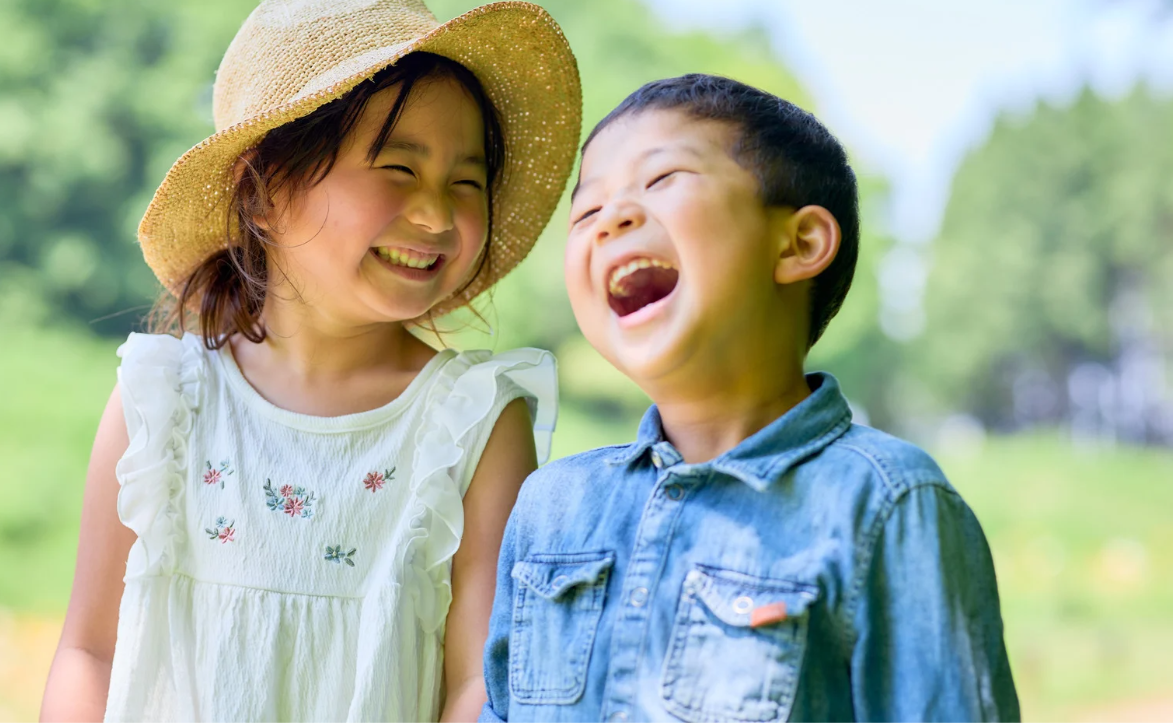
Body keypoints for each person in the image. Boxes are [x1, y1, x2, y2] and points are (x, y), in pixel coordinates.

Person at [40, 1, 580, 720]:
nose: (435, 214)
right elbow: (90, 652)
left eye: (466, 182)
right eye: (399, 168)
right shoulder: (163, 400)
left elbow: (477, 685)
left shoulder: (471, 424)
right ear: (264, 192)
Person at [481, 74, 1019, 722]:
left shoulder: (887, 503)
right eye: (587, 212)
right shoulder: (551, 506)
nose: (612, 219)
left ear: (799, 243)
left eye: (662, 179)